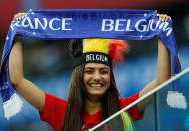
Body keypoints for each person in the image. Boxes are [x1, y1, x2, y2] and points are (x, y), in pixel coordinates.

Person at [9, 13, 171, 131]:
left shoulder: (123, 110)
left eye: (103, 71)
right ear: (79, 76)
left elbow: (161, 81)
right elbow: (17, 80)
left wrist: (161, 36)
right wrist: (18, 35)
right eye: (90, 71)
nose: (97, 77)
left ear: (110, 77)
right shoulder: (62, 112)